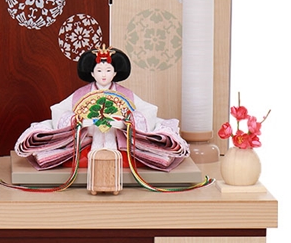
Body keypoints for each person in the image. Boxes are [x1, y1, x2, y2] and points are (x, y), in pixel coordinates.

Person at [14, 46, 189, 171]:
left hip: (118, 139)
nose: (104, 75)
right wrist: (80, 121)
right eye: (99, 70)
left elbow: (149, 110)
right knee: (75, 160)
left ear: (115, 73)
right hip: (88, 139)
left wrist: (125, 123)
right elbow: (59, 110)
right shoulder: (80, 95)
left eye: (108, 70)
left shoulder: (125, 94)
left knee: (131, 160)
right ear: (92, 73)